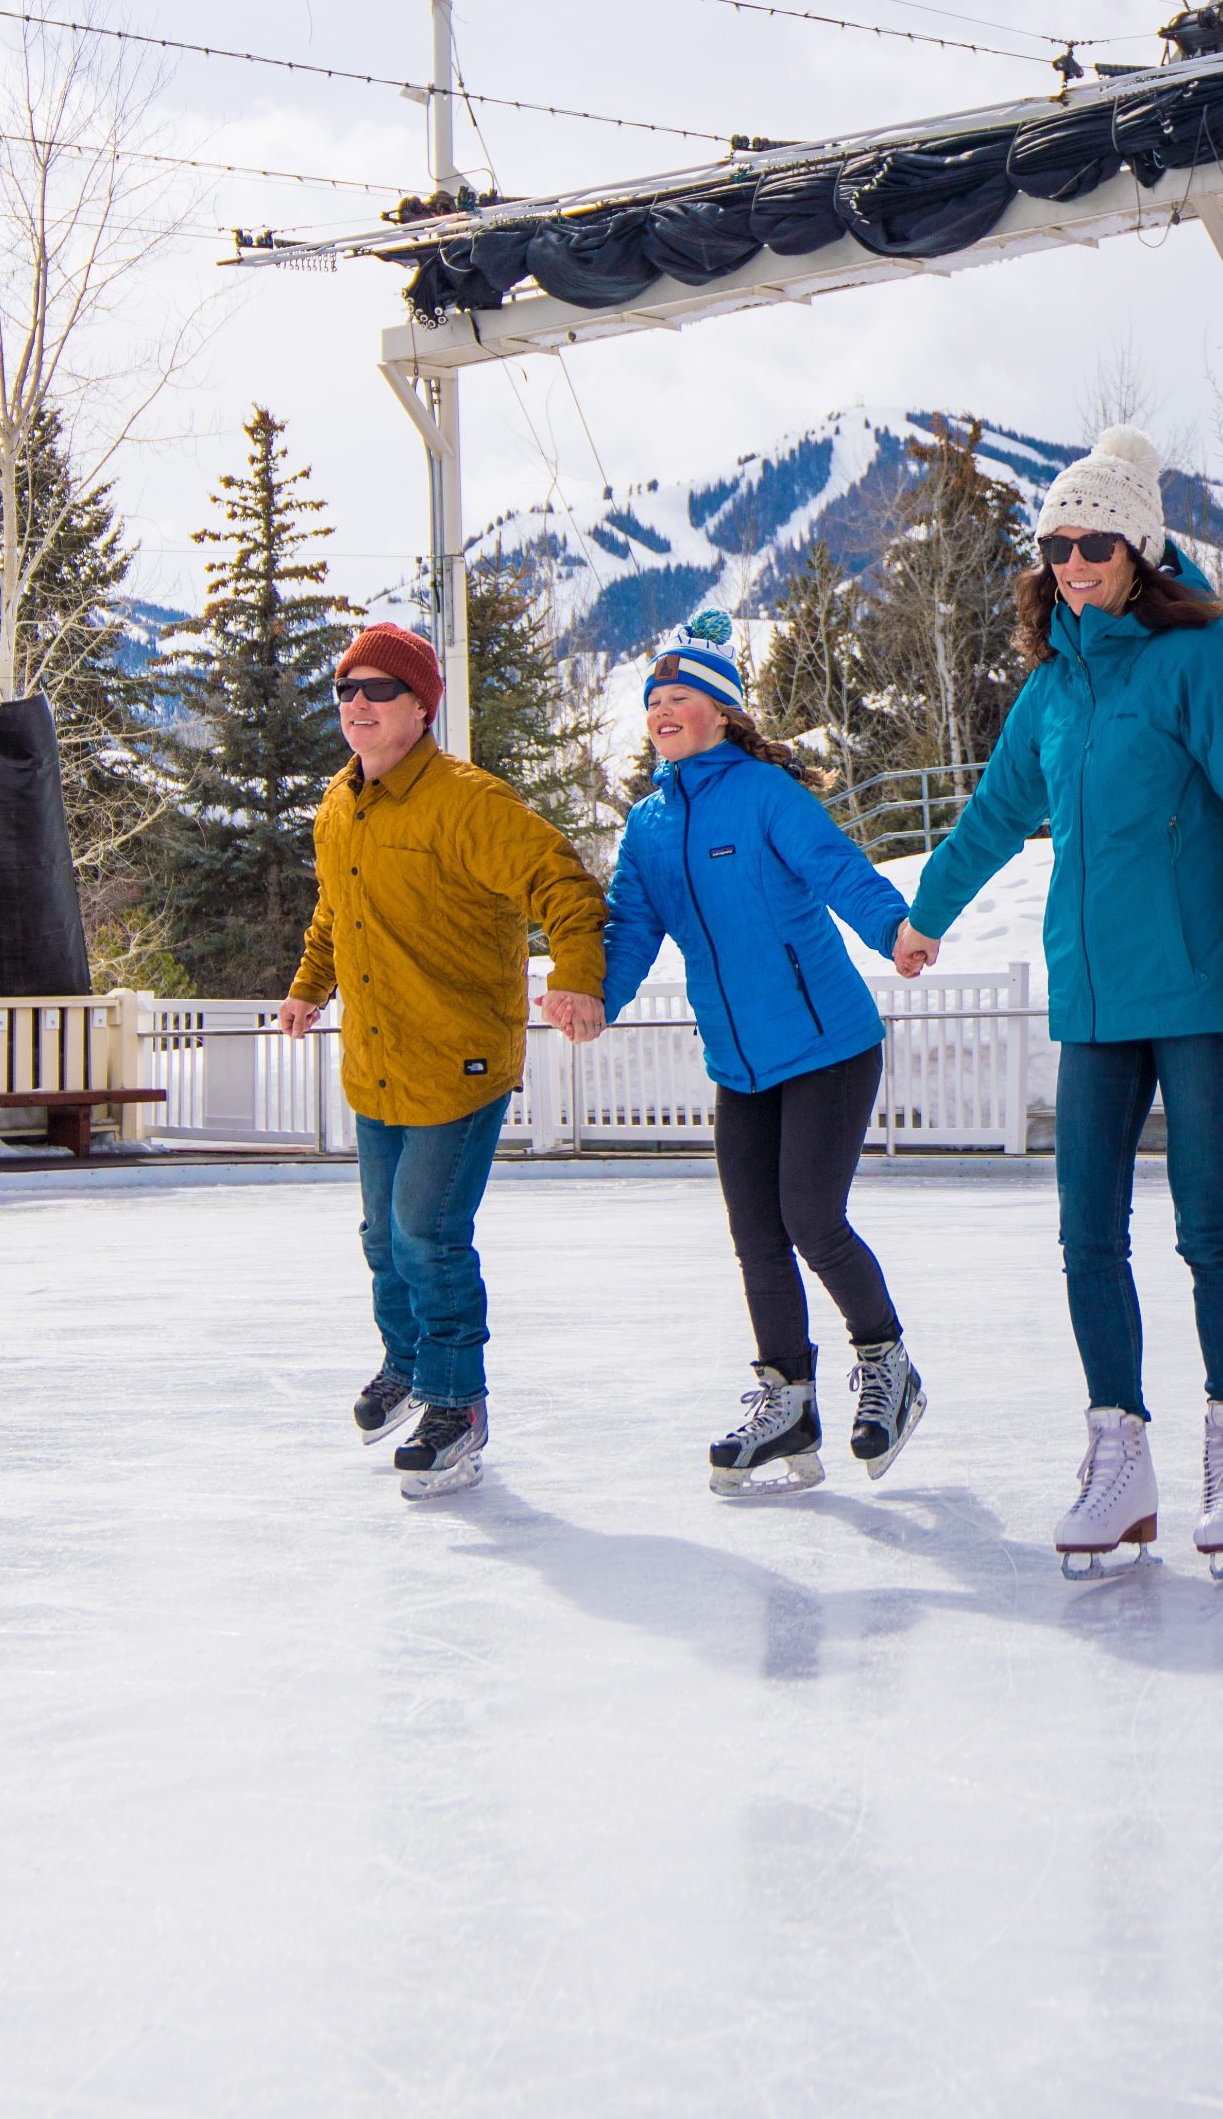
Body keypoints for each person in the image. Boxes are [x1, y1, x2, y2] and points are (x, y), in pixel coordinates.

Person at [900, 426, 1223, 1582]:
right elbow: (993, 812)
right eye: (1056, 546)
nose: (1073, 563)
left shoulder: (1197, 662)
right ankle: (1117, 1452)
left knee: (1203, 1225)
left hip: (1196, 991)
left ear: (1139, 551)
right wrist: (926, 914)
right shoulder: (1051, 690)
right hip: (1092, 998)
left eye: (1094, 544)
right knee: (1085, 1234)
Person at [602, 614, 937, 1498]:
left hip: (828, 1045)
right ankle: (787, 1403)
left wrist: (894, 929)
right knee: (756, 1235)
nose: (663, 712)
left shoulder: (764, 795)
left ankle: (888, 1365)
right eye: (654, 701)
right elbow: (629, 929)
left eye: (681, 697)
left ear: (721, 712)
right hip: (740, 1065)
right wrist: (593, 998)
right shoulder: (647, 825)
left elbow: (837, 869)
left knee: (811, 1219)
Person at [280, 620, 609, 1502]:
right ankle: (408, 1363)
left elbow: (565, 885)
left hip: (458, 1059)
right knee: (382, 1236)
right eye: (346, 689)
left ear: (421, 706)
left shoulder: (469, 803)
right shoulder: (340, 802)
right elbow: (335, 910)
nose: (357, 703)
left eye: (378, 689)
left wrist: (577, 977)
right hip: (376, 1062)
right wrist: (309, 987)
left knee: (427, 1234)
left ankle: (457, 1401)